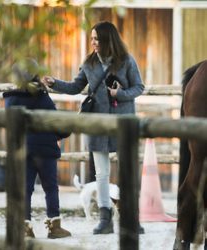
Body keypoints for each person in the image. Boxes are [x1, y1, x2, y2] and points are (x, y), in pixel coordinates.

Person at [42, 21, 144, 235]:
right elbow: (75, 87)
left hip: (122, 123)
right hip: (96, 124)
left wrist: (120, 95)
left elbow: (139, 87)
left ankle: (130, 219)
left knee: (127, 171)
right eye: (91, 38)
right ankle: (105, 218)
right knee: (101, 174)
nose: (92, 42)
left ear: (108, 39)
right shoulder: (89, 63)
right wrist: (54, 83)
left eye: (96, 38)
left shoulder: (126, 60)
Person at [3, 58, 71, 239]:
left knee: (25, 188)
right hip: (46, 150)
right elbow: (55, 121)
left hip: (23, 150)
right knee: (50, 187)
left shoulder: (10, 100)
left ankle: (25, 226)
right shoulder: (42, 97)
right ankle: (54, 226)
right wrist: (65, 132)